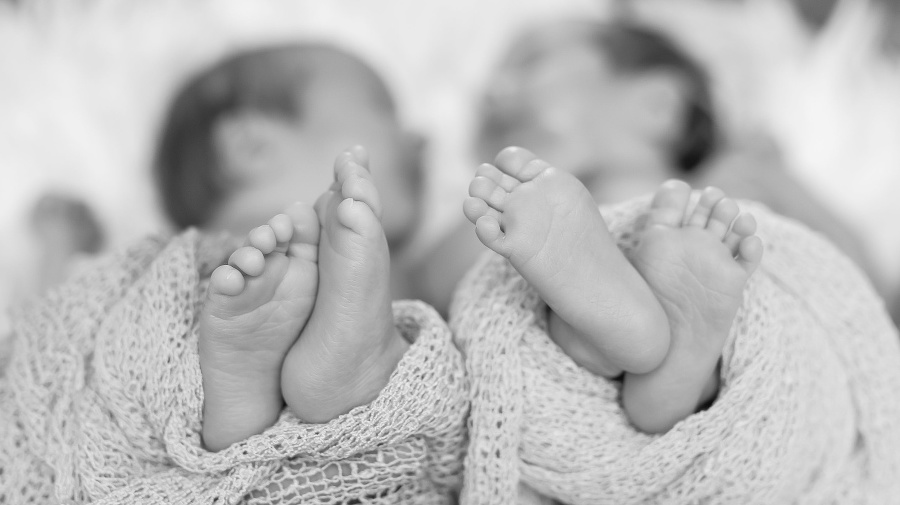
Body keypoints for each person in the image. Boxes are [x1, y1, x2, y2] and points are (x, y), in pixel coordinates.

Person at [413, 19, 876, 318]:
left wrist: (776, 181)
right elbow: (427, 291)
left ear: (657, 106)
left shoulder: (733, 189)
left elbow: (863, 292)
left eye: (529, 64)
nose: (492, 92)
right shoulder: (502, 214)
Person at [465, 146, 762, 433]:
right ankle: (682, 386)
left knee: (538, 299)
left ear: (662, 106)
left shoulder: (619, 171)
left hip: (642, 252)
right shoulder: (734, 178)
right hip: (686, 251)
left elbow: (429, 275)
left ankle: (592, 340)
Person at [153, 42, 424, 299]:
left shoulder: (400, 275)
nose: (420, 139)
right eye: (383, 109)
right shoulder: (185, 270)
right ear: (251, 146)